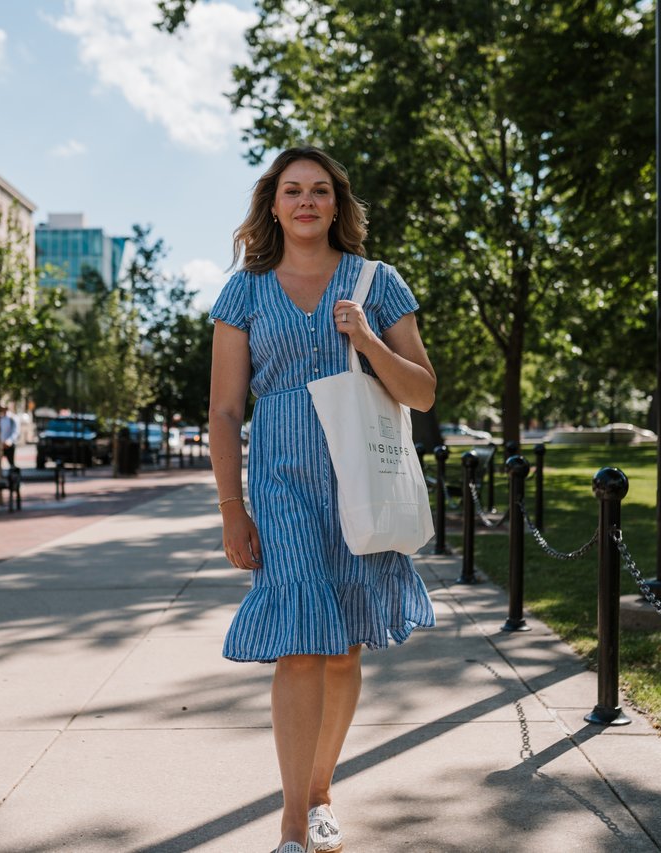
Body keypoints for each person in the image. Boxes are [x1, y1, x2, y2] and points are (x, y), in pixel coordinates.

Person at [208, 147, 437, 853]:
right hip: (280, 482)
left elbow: (423, 391)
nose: (305, 201)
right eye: (291, 190)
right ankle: (291, 823)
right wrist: (231, 510)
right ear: (272, 205)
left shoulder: (378, 282)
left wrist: (366, 338)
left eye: (318, 190)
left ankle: (322, 789)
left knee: (343, 649)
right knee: (303, 645)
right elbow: (223, 410)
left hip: (357, 479)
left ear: (337, 203)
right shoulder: (243, 290)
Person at [0, 405, 19, 472]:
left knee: (11, 462)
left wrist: (9, 441)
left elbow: (15, 432)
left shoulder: (12, 418)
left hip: (9, 445)